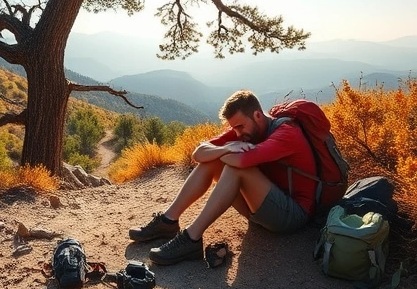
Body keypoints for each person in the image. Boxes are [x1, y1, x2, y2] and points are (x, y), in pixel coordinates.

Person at [128, 90, 318, 265]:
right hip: (263, 208)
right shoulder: (245, 130)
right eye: (234, 128)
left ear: (258, 115)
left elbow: (241, 162)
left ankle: (191, 238)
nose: (238, 133)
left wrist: (223, 153)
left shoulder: (286, 133)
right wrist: (226, 148)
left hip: (292, 214)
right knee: (213, 160)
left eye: (240, 126)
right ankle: (168, 221)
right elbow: (199, 153)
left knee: (234, 167)